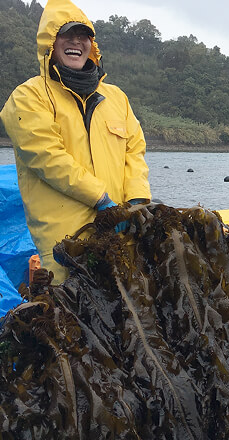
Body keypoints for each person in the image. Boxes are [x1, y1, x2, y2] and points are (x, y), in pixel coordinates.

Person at [0, 0, 151, 282]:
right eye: (66, 35)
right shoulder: (28, 97)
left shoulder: (117, 97)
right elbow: (47, 156)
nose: (75, 42)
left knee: (127, 316)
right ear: (50, 44)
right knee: (67, 319)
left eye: (83, 36)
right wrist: (101, 198)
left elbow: (135, 152)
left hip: (120, 238)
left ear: (91, 46)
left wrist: (137, 200)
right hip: (65, 248)